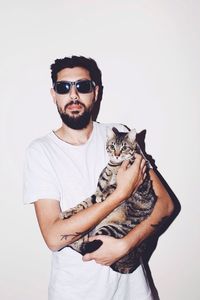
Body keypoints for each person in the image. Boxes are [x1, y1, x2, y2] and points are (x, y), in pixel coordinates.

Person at [23, 55, 174, 300]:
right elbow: (53, 237)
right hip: (74, 293)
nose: (73, 95)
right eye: (64, 88)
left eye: (82, 86)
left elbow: (166, 205)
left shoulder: (120, 136)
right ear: (54, 95)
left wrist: (125, 245)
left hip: (133, 292)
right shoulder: (40, 151)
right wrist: (120, 194)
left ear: (95, 91)